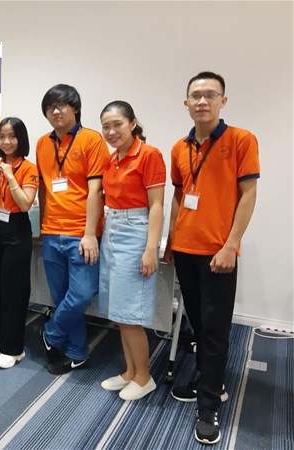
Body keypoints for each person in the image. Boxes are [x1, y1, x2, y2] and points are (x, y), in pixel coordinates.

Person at [164, 71, 260, 445]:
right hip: (186, 249)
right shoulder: (179, 147)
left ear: (223, 100)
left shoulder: (241, 140)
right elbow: (179, 196)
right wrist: (171, 241)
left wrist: (231, 245)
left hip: (219, 252)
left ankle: (208, 406)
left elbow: (248, 194)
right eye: (196, 95)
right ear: (185, 103)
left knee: (216, 329)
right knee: (199, 325)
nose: (202, 101)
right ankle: (212, 382)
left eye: (210, 94)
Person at [36, 84, 110, 375]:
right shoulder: (42, 143)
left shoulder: (92, 140)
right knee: (62, 296)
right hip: (51, 232)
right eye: (49, 107)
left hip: (81, 233)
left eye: (61, 105)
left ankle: (51, 333)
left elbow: (96, 191)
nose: (55, 111)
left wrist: (90, 234)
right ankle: (77, 353)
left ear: (75, 108)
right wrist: (42, 226)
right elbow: (44, 188)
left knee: (81, 294)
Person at [98, 101, 165, 400]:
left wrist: (151, 249)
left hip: (135, 233)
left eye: (118, 124)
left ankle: (144, 376)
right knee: (119, 311)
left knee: (131, 314)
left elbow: (157, 205)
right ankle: (130, 371)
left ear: (133, 123)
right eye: (106, 126)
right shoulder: (112, 158)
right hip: (111, 231)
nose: (111, 131)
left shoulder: (149, 155)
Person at [0, 117, 38, 369]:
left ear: (21, 139)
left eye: (12, 136)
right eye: (2, 137)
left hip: (17, 230)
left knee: (14, 290)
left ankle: (14, 348)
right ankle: (4, 341)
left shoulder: (28, 168)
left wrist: (10, 176)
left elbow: (25, 203)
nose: (6, 141)